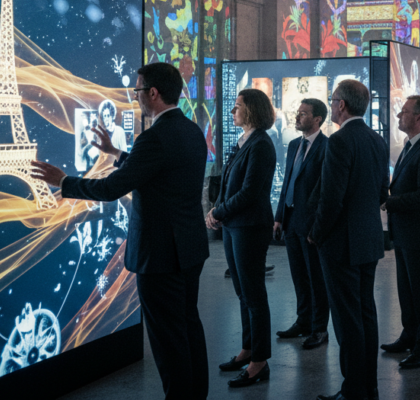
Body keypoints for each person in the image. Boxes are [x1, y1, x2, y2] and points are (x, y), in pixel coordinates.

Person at [31, 63, 209, 400]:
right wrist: (116, 153)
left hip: (160, 255)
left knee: (168, 343)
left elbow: (112, 189)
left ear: (153, 93)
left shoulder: (154, 137)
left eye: (138, 90)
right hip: (188, 248)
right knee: (187, 328)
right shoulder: (190, 130)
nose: (135, 96)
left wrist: (63, 181)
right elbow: (158, 170)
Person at [309, 79, 389, 400]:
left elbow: (331, 199)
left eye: (332, 100)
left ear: (341, 105)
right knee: (365, 314)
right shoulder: (376, 140)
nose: (331, 106)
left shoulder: (339, 141)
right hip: (369, 239)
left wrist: (315, 233)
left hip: (341, 244)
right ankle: (368, 386)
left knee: (346, 321)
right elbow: (382, 191)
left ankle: (353, 389)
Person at [206, 88, 277, 388]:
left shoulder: (261, 144)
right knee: (242, 292)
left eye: (237, 107)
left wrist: (218, 212)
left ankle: (259, 361)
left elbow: (249, 192)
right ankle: (248, 349)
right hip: (236, 226)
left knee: (254, 295)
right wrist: (218, 211)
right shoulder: (246, 141)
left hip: (249, 226)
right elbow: (228, 183)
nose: (233, 111)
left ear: (252, 111)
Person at [380, 95, 420, 370]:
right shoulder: (410, 146)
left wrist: (388, 202)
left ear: (419, 118)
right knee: (406, 291)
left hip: (419, 233)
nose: (398, 116)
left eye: (404, 112)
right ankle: (409, 336)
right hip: (406, 231)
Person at [273, 98, 331, 350]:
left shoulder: (327, 147)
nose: (298, 117)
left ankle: (319, 329)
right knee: (299, 276)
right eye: (298, 113)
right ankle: (303, 321)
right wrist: (278, 217)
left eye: (304, 114)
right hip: (291, 219)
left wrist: (317, 226)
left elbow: (325, 191)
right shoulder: (294, 144)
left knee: (316, 277)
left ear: (317, 119)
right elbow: (288, 182)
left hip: (310, 224)